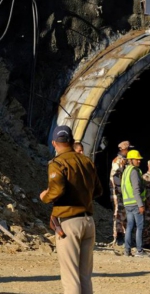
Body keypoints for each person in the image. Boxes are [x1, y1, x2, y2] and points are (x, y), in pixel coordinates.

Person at [40, 125, 103, 294]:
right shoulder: (87, 161)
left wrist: (45, 196)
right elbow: (98, 191)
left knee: (70, 276)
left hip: (68, 224)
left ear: (54, 143)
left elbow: (57, 190)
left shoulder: (57, 163)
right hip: (88, 222)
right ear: (72, 141)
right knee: (85, 276)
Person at [121, 149, 147, 257]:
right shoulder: (134, 172)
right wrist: (140, 204)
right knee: (139, 227)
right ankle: (139, 251)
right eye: (137, 159)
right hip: (135, 204)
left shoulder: (126, 171)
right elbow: (136, 189)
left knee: (130, 226)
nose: (139, 161)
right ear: (131, 160)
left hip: (127, 204)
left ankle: (127, 250)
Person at [110, 140, 132, 245]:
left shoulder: (125, 161)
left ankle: (123, 235)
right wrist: (121, 189)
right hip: (118, 192)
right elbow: (115, 177)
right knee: (118, 213)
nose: (129, 151)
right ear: (124, 149)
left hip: (123, 192)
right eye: (128, 149)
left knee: (123, 214)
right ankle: (118, 237)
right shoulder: (117, 161)